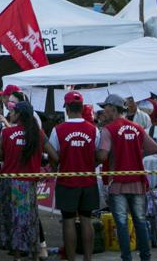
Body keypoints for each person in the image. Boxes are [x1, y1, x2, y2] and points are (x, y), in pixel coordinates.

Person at [96, 94, 157, 261]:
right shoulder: (137, 127)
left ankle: (127, 258)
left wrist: (89, 155)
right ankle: (146, 257)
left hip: (117, 184)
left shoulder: (109, 130)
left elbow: (102, 157)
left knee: (121, 223)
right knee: (140, 221)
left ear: (113, 109)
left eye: (105, 108)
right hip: (137, 183)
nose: (103, 111)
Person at [0, 101, 57, 260]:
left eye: (12, 111)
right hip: (29, 183)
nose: (10, 114)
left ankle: (17, 257)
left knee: (13, 220)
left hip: (10, 183)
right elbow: (54, 157)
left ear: (18, 114)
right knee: (30, 219)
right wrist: (47, 171)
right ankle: (35, 255)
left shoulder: (7, 133)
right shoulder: (38, 134)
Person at [49, 91, 100, 261]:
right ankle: (88, 258)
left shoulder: (58, 130)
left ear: (67, 108)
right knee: (87, 219)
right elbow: (97, 155)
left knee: (68, 221)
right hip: (89, 181)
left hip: (67, 181)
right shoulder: (94, 130)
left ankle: (71, 258)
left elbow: (53, 156)